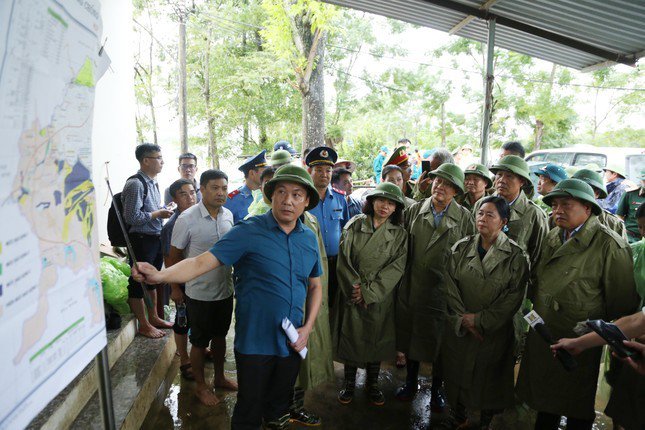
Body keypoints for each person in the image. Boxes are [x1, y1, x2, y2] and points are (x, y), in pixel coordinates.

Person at [133, 164, 323, 430]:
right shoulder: (248, 231)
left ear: (306, 202)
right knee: (249, 409)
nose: (288, 200)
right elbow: (201, 262)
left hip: (291, 342)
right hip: (255, 342)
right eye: (281, 192)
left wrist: (308, 327)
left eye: (296, 194)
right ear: (271, 195)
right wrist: (160, 276)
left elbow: (315, 286)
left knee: (279, 407)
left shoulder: (309, 238)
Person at [516, 179, 638, 430]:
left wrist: (589, 330)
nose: (557, 210)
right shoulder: (553, 235)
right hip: (545, 333)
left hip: (580, 339)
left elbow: (622, 305)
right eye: (555, 205)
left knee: (576, 404)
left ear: (588, 208)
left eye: (566, 205)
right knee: (545, 400)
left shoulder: (609, 245)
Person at [443, 196, 529, 428]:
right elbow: (450, 287)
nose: (482, 218)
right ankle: (458, 415)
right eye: (480, 213)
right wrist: (465, 320)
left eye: (490, 215)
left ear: (503, 222)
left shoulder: (516, 256)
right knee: (458, 372)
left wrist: (481, 321)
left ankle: (485, 422)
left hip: (494, 330)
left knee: (490, 378)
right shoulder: (461, 248)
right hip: (462, 326)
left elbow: (513, 298)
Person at [395, 163, 475, 415]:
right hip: (414, 287)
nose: (440, 187)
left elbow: (469, 256)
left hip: (445, 294)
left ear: (456, 191)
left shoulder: (464, 218)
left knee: (441, 344)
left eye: (448, 184)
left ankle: (437, 389)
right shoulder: (415, 210)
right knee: (413, 337)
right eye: (438, 181)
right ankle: (410, 383)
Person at [333, 182, 408, 406]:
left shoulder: (399, 235)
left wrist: (369, 292)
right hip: (352, 294)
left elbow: (396, 268)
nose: (385, 206)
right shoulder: (355, 225)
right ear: (372, 201)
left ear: (396, 209)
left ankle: (372, 384)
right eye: (381, 200)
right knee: (352, 337)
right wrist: (356, 290)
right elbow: (343, 261)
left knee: (376, 339)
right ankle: (348, 382)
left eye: (391, 203)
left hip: (379, 297)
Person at [168, 169, 237, 406]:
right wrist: (176, 288)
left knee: (220, 337)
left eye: (224, 188)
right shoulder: (186, 219)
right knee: (198, 342)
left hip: (225, 290)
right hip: (197, 293)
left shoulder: (228, 215)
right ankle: (200, 386)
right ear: (203, 190)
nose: (221, 193)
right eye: (215, 188)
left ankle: (219, 378)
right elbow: (173, 257)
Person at [121, 143, 173, 338]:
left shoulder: (153, 182)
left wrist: (162, 210)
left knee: (152, 280)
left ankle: (154, 317)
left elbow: (148, 210)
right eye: (158, 157)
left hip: (154, 237)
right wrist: (158, 213)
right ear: (145, 160)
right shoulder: (135, 184)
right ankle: (143, 324)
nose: (162, 161)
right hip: (140, 240)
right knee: (138, 282)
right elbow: (132, 217)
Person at [161, 179, 197, 380]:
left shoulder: (196, 217)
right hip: (182, 283)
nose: (190, 197)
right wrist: (175, 288)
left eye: (192, 192)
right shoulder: (171, 226)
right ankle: (184, 359)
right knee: (182, 321)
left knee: (198, 320)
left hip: (198, 281)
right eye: (184, 194)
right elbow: (169, 260)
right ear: (174, 199)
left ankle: (198, 351)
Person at [307, 146, 350, 308]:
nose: (324, 174)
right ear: (310, 171)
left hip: (335, 263)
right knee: (313, 305)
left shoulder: (340, 198)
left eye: (328, 170)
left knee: (333, 304)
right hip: (311, 264)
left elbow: (345, 229)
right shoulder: (303, 199)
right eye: (319, 170)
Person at [569, 168, 628, 239]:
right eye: (577, 189)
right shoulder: (556, 217)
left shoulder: (614, 224)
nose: (580, 195)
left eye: (586, 190)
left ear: (597, 194)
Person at [224, 149, 267, 223]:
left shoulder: (268, 194)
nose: (266, 175)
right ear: (252, 173)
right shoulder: (232, 200)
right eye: (263, 172)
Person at [617, 170, 645, 243]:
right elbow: (619, 216)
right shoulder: (630, 194)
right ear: (641, 181)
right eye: (644, 180)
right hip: (632, 238)